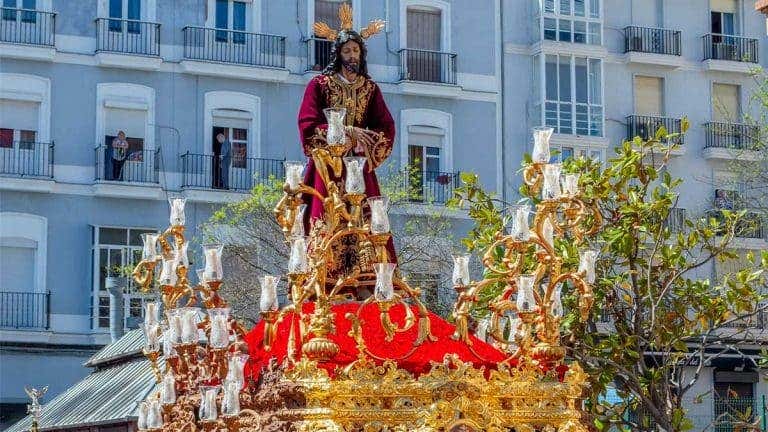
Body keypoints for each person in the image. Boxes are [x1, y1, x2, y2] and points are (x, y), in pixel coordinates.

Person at [297, 4, 395, 284]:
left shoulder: (370, 89)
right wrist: (345, 132)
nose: (352, 56)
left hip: (360, 168)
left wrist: (368, 143)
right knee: (327, 217)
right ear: (338, 54)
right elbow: (308, 124)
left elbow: (386, 126)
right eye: (347, 51)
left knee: (366, 223)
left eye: (356, 51)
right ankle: (323, 278)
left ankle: (367, 280)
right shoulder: (319, 85)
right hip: (327, 168)